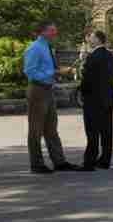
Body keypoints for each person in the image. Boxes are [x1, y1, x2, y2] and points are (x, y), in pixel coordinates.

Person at [24, 22, 80, 174]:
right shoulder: (35, 48)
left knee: (51, 128)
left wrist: (57, 72)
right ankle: (36, 164)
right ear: (42, 32)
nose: (56, 33)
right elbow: (30, 71)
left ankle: (59, 162)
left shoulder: (47, 47)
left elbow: (46, 68)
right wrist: (54, 73)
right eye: (52, 30)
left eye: (56, 30)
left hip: (48, 90)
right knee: (35, 129)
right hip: (37, 90)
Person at [79, 29, 113, 171]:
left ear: (98, 40)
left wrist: (81, 92)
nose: (89, 39)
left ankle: (90, 160)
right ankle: (105, 160)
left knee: (92, 131)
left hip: (93, 99)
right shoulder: (110, 56)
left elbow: (87, 79)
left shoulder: (93, 56)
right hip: (107, 98)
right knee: (106, 132)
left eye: (92, 37)